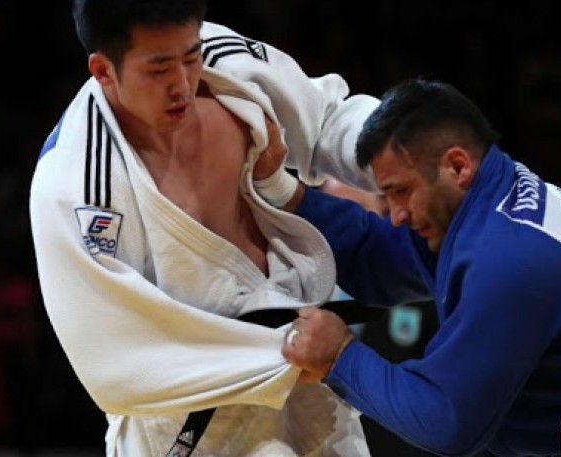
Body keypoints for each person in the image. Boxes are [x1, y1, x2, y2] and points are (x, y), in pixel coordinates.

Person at [253, 77, 561, 456]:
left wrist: (340, 356)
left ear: (457, 165)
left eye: (401, 192)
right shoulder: (489, 201)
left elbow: (447, 421)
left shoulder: (510, 256)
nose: (396, 214)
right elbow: (377, 259)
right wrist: (279, 187)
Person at [29, 0, 381, 455]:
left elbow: (329, 120)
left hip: (313, 392)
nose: (182, 83)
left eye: (190, 56)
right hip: (190, 425)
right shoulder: (75, 183)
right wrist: (286, 356)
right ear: (103, 70)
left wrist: (410, 151)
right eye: (159, 69)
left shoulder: (223, 61)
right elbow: (112, 364)